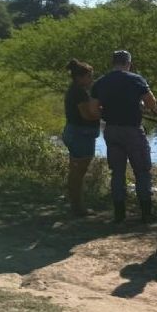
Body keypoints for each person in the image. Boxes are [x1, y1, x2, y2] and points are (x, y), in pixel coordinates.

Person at [90, 50, 157, 223]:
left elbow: (93, 109)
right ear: (129, 63)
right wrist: (140, 104)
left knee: (117, 172)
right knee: (142, 171)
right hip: (133, 130)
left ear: (113, 63)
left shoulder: (101, 82)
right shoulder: (136, 79)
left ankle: (119, 214)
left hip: (111, 130)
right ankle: (146, 213)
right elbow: (152, 104)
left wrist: (107, 114)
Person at [62, 59, 100, 216]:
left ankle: (74, 203)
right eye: (89, 76)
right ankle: (78, 207)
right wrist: (103, 114)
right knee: (79, 171)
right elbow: (87, 116)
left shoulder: (75, 90)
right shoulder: (79, 92)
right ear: (80, 77)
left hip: (74, 132)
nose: (91, 80)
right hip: (81, 134)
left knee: (75, 170)